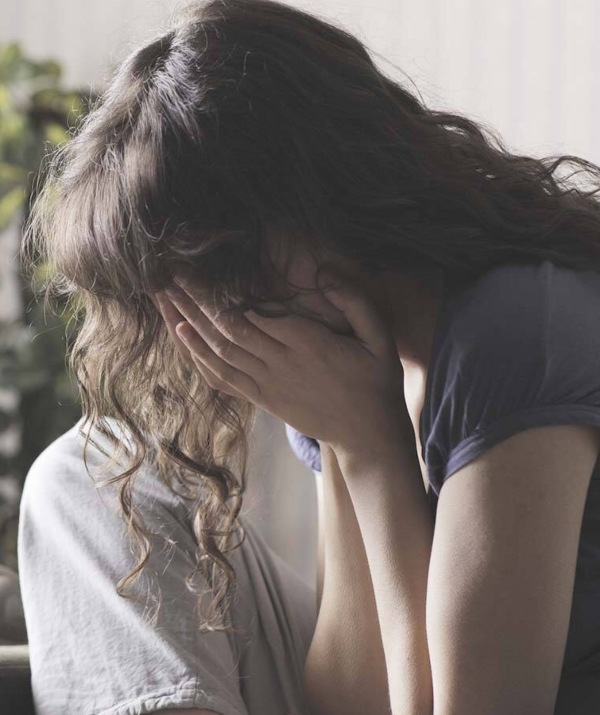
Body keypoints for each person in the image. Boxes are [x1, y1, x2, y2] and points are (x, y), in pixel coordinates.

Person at [16, 0, 600, 713]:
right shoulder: (345, 350)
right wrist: (344, 436)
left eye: (210, 275)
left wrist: (373, 447)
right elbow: (352, 702)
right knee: (86, 473)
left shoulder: (513, 329)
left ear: (312, 196)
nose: (201, 327)